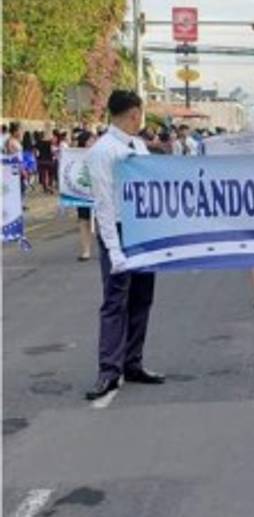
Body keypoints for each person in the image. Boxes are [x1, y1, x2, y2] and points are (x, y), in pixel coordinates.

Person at [84, 90, 165, 400]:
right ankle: (109, 370)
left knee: (142, 298)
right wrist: (114, 249)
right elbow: (103, 205)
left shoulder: (139, 146)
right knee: (115, 300)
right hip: (118, 229)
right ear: (134, 114)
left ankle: (133, 362)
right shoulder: (103, 151)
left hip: (142, 229)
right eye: (140, 115)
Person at [74, 129, 96, 261]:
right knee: (83, 220)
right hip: (82, 192)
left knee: (101, 220)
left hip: (99, 192)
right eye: (91, 140)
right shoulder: (74, 156)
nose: (94, 142)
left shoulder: (101, 154)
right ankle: (86, 251)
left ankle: (106, 248)